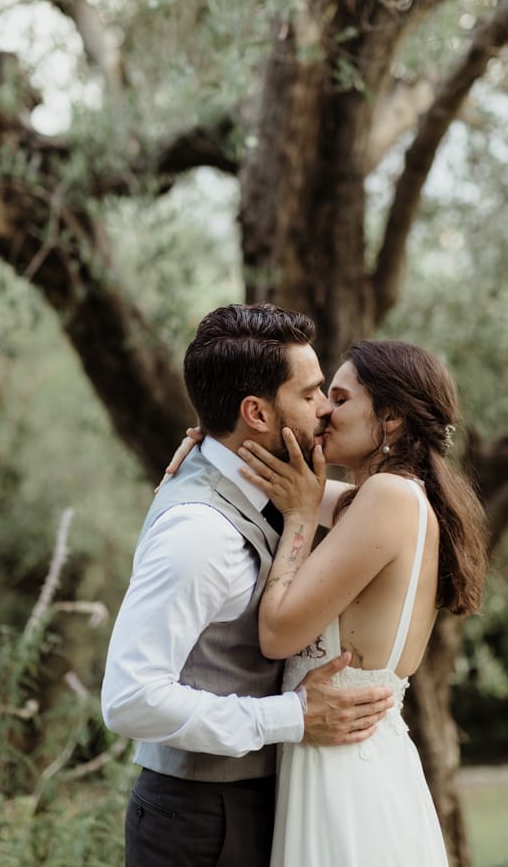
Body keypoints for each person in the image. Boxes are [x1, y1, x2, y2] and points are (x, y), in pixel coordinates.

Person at [101, 305, 394, 867]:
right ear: (256, 413)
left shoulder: (272, 482)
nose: (326, 411)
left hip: (247, 805)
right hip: (200, 822)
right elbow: (129, 698)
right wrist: (292, 717)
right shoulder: (199, 532)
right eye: (310, 395)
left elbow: (383, 513)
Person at [235, 339, 488, 866]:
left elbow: (278, 632)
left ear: (391, 418)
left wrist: (302, 521)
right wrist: (207, 442)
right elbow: (265, 480)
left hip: (345, 778)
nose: (325, 409)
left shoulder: (388, 497)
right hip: (356, 765)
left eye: (342, 398)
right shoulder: (382, 498)